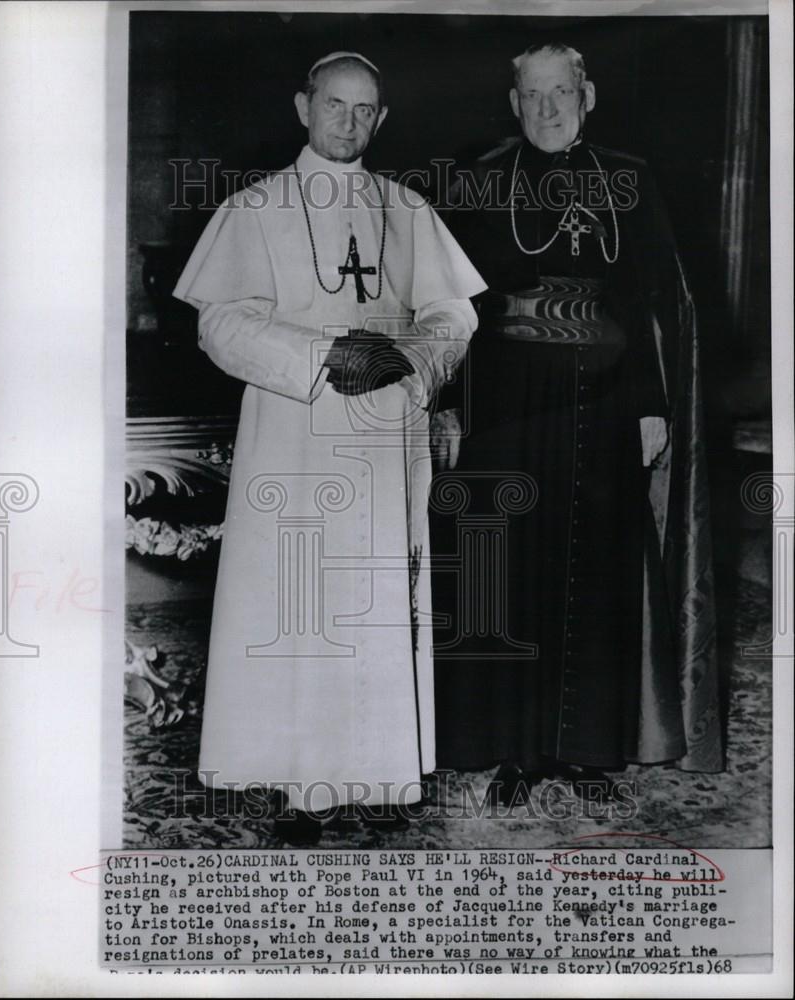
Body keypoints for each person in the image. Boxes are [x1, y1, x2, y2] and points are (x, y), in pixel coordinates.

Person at [173, 52, 486, 844]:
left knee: (380, 599)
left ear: (380, 120)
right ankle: (296, 782)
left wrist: (410, 360)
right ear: (303, 107)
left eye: (364, 111)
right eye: (334, 106)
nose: (348, 123)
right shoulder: (254, 206)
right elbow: (221, 323)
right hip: (294, 429)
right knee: (300, 605)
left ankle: (379, 772)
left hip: (386, 430)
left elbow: (454, 315)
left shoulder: (407, 208)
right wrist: (323, 360)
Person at [431, 42, 722, 805]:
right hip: (502, 400)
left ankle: (587, 747)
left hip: (604, 398)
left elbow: (652, 300)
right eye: (533, 95)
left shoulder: (627, 179)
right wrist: (451, 406)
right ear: (513, 102)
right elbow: (448, 309)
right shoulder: (480, 180)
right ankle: (511, 749)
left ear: (586, 96)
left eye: (561, 92)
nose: (548, 109)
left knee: (595, 573)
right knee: (505, 568)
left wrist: (653, 404)